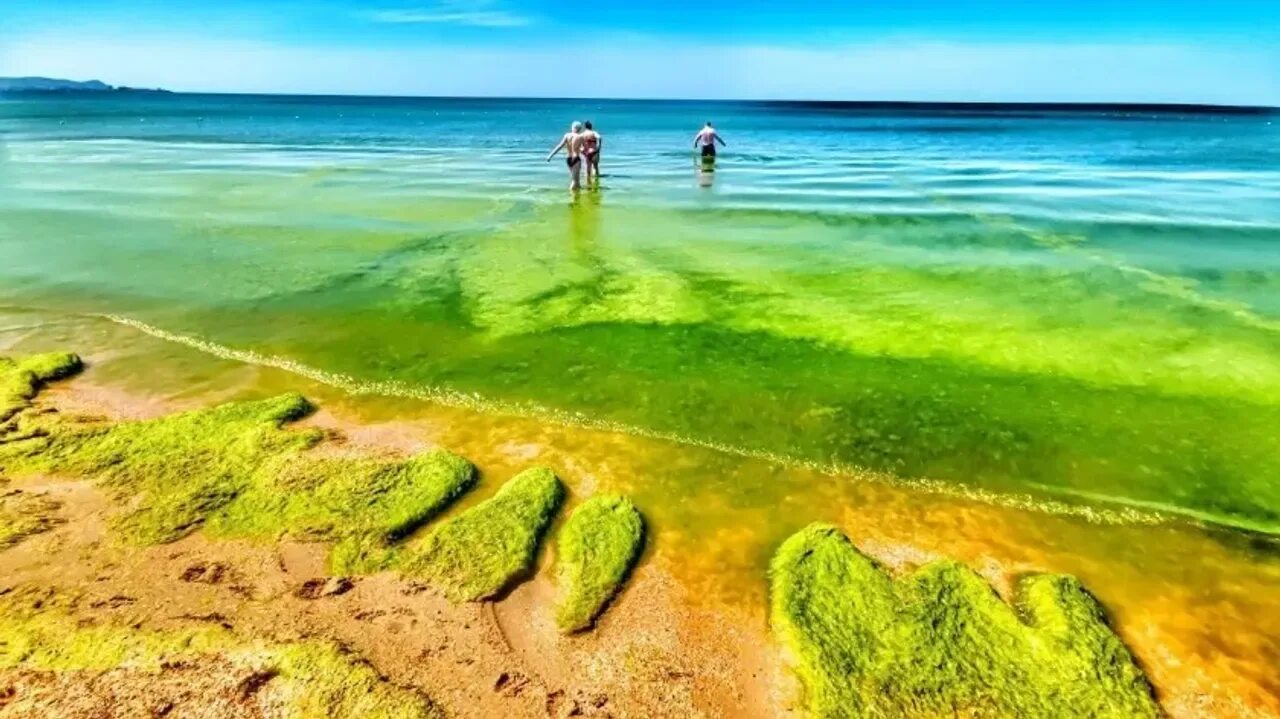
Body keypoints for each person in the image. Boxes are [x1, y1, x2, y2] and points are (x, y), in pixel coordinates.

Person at [547, 121, 585, 190]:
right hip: (576, 158)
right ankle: (571, 197)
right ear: (579, 129)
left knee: (576, 180)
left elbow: (560, 146)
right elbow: (584, 149)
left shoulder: (567, 135)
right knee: (574, 181)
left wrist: (550, 155)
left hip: (568, 159)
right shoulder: (580, 137)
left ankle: (578, 196)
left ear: (573, 127)